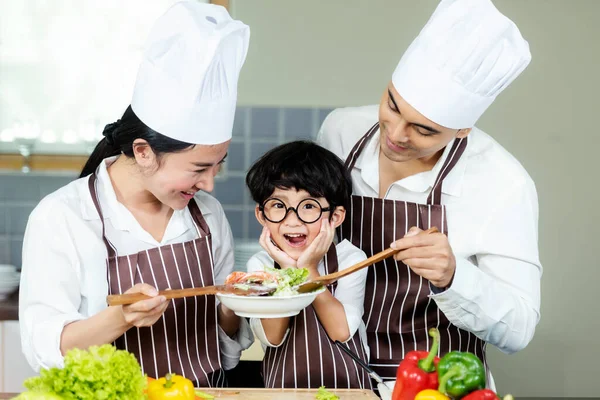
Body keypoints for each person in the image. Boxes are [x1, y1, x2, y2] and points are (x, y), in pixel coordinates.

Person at [19, 1, 252, 387]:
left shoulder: (207, 216)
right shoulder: (63, 218)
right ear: (143, 152)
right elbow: (47, 350)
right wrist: (121, 316)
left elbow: (225, 351)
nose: (209, 185)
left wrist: (237, 304)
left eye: (217, 165)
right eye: (198, 169)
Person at [317, 0, 541, 388]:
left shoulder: (501, 182)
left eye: (423, 130)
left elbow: (519, 329)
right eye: (391, 105)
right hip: (335, 375)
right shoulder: (340, 131)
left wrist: (453, 275)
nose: (396, 134)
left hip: (437, 385)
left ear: (461, 130)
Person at [242, 141, 372, 389]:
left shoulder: (350, 259)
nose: (293, 221)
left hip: (349, 392)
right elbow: (272, 336)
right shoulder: (260, 264)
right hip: (282, 393)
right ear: (261, 215)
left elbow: (341, 332)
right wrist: (286, 271)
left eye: (309, 206)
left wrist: (308, 271)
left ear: (335, 217)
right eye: (278, 206)